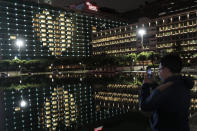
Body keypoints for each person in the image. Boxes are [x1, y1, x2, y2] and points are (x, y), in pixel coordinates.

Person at [140, 53, 194, 131]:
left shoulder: (164, 89)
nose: (159, 73)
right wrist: (154, 84)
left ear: (166, 69)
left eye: (159, 69)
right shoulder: (184, 83)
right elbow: (166, 96)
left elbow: (144, 106)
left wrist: (145, 85)